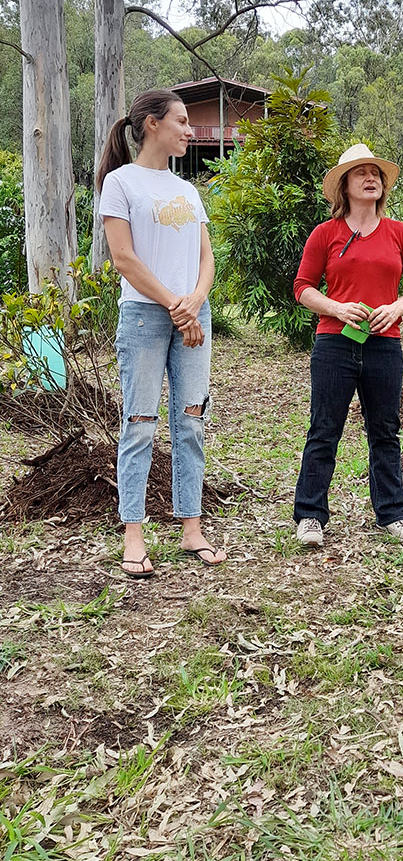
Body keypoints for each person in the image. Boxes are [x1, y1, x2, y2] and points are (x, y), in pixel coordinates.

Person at [97, 89, 226, 578]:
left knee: (191, 421)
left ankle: (191, 529)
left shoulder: (187, 190)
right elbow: (124, 258)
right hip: (145, 319)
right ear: (151, 124)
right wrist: (175, 304)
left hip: (193, 316)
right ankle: (134, 534)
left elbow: (205, 256)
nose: (190, 131)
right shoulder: (120, 182)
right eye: (182, 121)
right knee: (141, 424)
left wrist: (194, 300)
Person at [293, 143, 403, 547]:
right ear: (345, 187)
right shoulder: (326, 234)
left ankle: (392, 514)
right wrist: (337, 307)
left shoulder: (399, 233)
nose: (371, 179)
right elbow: (302, 288)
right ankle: (310, 516)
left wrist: (397, 308)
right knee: (324, 428)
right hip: (334, 343)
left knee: (385, 430)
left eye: (376, 173)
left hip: (384, 345)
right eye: (360, 174)